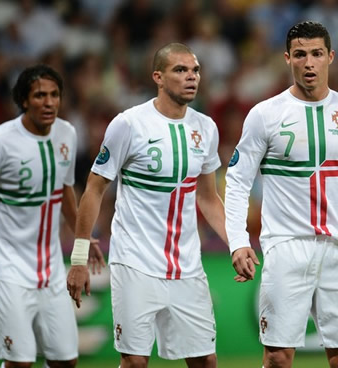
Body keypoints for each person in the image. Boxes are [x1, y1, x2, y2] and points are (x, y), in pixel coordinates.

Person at [225, 21, 338, 368]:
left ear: (330, 56)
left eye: (317, 54)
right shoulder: (265, 115)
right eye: (300, 54)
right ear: (287, 59)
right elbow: (237, 181)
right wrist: (238, 241)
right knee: (279, 358)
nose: (309, 62)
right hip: (286, 247)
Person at [67, 43, 227, 368]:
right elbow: (94, 190)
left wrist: (237, 244)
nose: (191, 77)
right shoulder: (129, 124)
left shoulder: (206, 128)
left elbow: (208, 198)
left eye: (195, 70)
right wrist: (79, 258)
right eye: (180, 70)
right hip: (135, 263)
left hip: (187, 266)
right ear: (158, 77)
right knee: (135, 362)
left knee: (205, 361)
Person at [0, 64, 105, 368]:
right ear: (23, 100)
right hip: (4, 267)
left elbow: (65, 194)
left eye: (54, 95)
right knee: (20, 362)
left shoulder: (67, 133)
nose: (48, 102)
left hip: (48, 269)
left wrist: (82, 240)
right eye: (39, 96)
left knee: (65, 361)